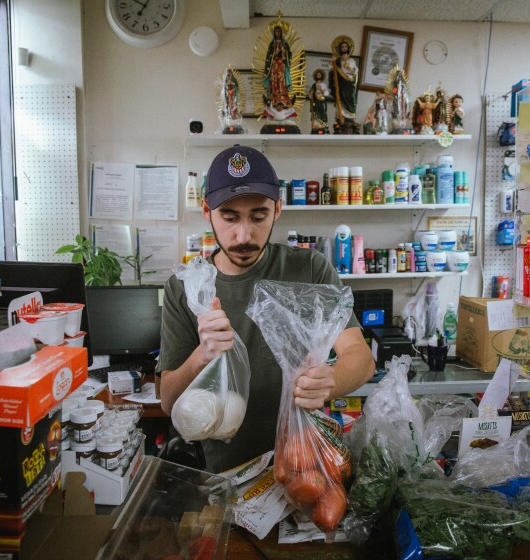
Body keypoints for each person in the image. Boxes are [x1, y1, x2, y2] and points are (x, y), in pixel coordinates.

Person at [158, 145, 375, 473]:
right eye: (229, 218)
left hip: (302, 463)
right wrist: (203, 353)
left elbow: (361, 358)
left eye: (258, 217)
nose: (243, 235)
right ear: (206, 211)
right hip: (218, 472)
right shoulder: (185, 287)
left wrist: (331, 380)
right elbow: (168, 401)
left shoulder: (310, 270)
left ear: (278, 209)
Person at [329, 35, 360, 134]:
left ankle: (352, 117)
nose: (344, 48)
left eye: (345, 47)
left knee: (351, 98)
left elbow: (355, 71)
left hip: (349, 83)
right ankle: (340, 116)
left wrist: (349, 65)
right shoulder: (337, 61)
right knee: (341, 99)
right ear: (339, 49)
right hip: (341, 84)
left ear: (348, 48)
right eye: (342, 47)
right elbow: (331, 70)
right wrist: (332, 62)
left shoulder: (351, 61)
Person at [263, 23, 293, 116]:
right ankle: (274, 98)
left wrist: (284, 52)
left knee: (282, 80)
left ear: (281, 32)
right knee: (274, 81)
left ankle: (283, 97)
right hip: (274, 65)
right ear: (274, 33)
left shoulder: (285, 43)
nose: (277, 33)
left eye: (279, 31)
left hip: (282, 65)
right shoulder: (272, 44)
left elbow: (289, 54)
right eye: (276, 31)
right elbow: (269, 57)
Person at [308, 68, 330, 133]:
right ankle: (316, 125)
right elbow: (310, 94)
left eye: (319, 75)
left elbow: (327, 94)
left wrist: (322, 90)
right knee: (315, 113)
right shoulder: (314, 85)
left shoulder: (324, 85)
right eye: (317, 75)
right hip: (315, 102)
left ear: (321, 76)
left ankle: (323, 125)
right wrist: (311, 94)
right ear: (315, 76)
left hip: (322, 101)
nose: (318, 76)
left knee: (323, 113)